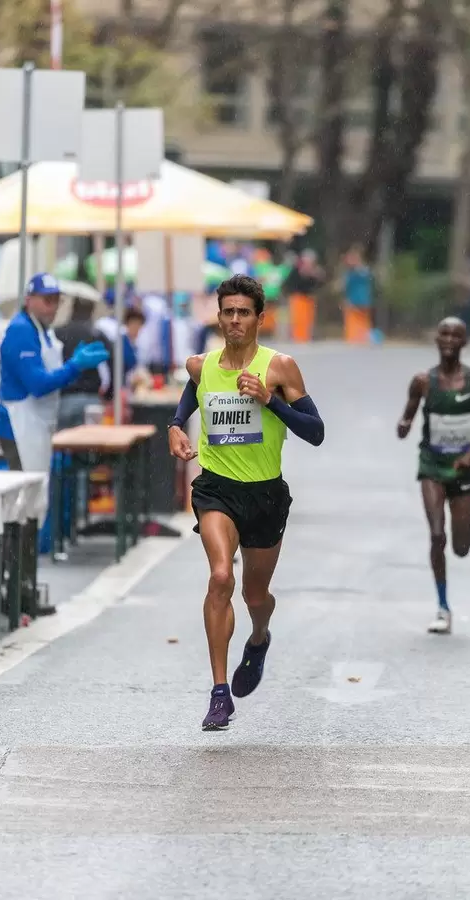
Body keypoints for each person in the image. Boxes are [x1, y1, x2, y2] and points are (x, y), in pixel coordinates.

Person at [168, 274, 325, 731]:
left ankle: (258, 638)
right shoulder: (201, 366)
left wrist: (270, 400)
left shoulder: (281, 367)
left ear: (259, 318)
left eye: (243, 312)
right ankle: (219, 694)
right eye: (227, 312)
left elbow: (315, 433)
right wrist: (175, 430)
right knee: (221, 577)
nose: (235, 320)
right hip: (216, 487)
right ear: (218, 317)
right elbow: (184, 409)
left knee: (256, 594)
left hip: (266, 495)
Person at [397, 317, 470, 634]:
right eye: (443, 333)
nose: (448, 339)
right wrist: (403, 426)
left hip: (466, 467)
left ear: (464, 342)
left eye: (455, 335)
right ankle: (443, 607)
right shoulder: (422, 382)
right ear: (436, 339)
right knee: (436, 535)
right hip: (432, 464)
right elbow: (406, 418)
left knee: (460, 546)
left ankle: (461, 537)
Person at [0, 273, 110, 473]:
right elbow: (38, 384)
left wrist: (73, 366)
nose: (54, 307)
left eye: (57, 301)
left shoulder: (43, 329)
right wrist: (74, 366)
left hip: (36, 424)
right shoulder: (21, 330)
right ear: (29, 300)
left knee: (37, 494)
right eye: (47, 301)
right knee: (28, 496)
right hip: (19, 425)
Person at [55, 297, 114, 430]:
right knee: (91, 446)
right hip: (91, 401)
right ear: (91, 311)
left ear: (72, 309)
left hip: (64, 399)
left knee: (63, 444)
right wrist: (109, 395)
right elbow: (112, 366)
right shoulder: (97, 335)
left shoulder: (58, 333)